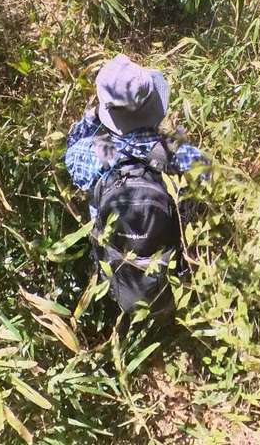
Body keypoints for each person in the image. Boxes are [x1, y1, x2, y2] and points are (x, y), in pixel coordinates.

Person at [64, 53, 207, 330]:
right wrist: (176, 138)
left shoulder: (90, 153)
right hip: (169, 266)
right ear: (151, 105)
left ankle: (121, 312)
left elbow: (71, 148)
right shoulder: (176, 152)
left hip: (116, 266)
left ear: (108, 112)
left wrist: (92, 117)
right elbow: (208, 176)